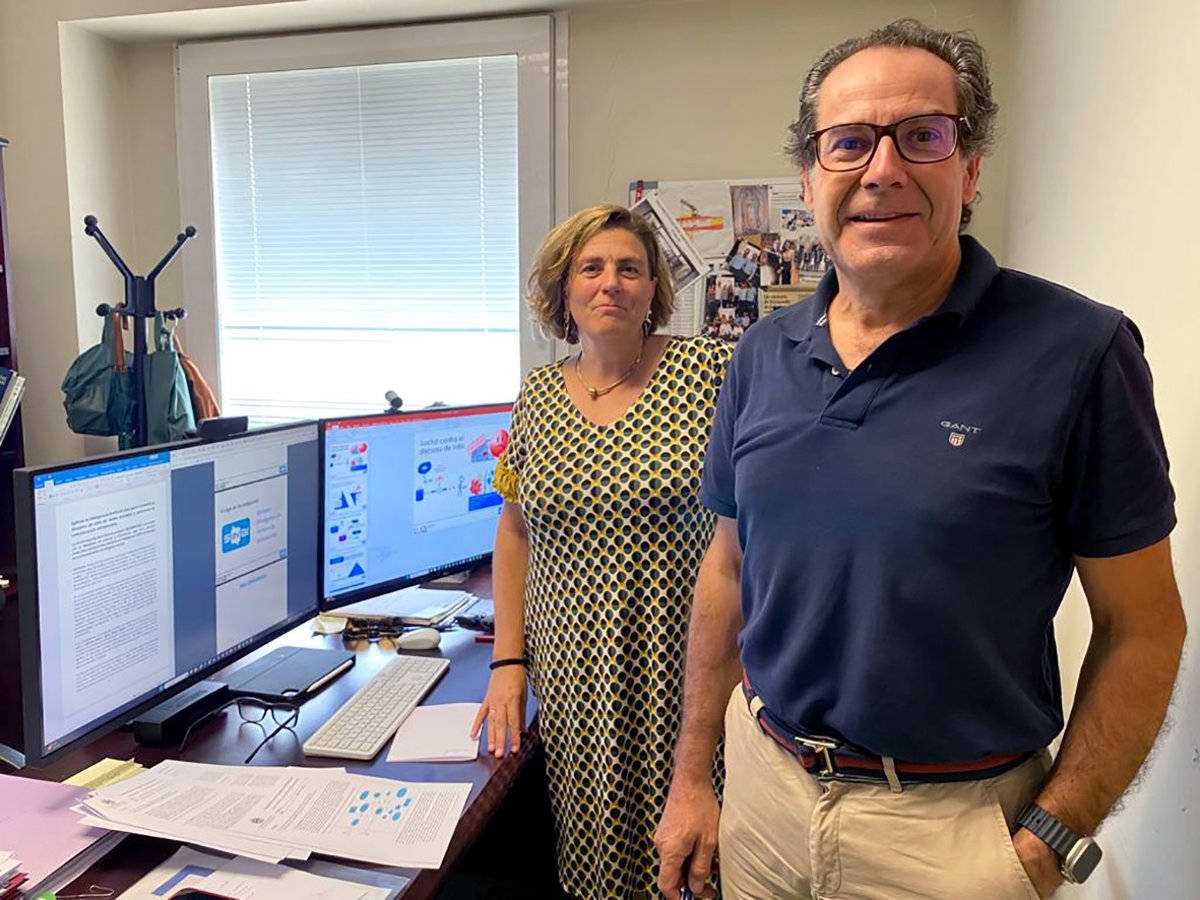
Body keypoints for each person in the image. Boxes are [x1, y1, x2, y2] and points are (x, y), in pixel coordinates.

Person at [655, 18, 1185, 900]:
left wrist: (1052, 837)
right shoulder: (761, 353)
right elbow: (730, 570)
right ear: (810, 177)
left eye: (922, 136)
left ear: (968, 170)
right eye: (849, 142)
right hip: (766, 793)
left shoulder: (1079, 352)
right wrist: (693, 775)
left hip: (950, 833)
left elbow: (1144, 627)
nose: (882, 169)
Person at [472, 204, 734, 899]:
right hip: (574, 678)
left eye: (629, 269)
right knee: (596, 860)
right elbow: (514, 530)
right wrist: (507, 661)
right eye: (591, 268)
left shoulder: (709, 371)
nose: (610, 283)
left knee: (695, 859)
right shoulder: (536, 396)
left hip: (682, 666)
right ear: (564, 290)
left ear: (653, 290)